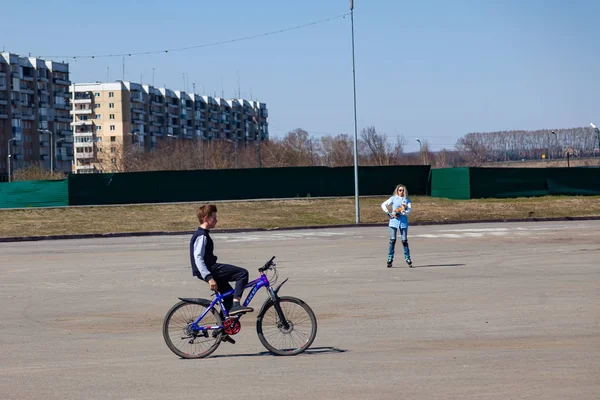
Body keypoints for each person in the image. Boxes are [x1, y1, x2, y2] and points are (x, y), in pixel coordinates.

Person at [190, 204, 254, 316]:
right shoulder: (201, 236)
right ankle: (236, 304)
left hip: (209, 269)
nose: (216, 220)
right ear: (206, 219)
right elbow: (198, 258)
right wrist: (209, 278)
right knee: (242, 274)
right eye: (214, 218)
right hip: (210, 270)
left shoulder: (203, 234)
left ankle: (220, 331)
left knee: (228, 297)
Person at [380, 184, 413, 268]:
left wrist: (403, 212)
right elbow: (383, 205)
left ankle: (407, 257)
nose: (401, 192)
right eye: (400, 190)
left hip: (403, 222)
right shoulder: (393, 198)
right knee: (392, 240)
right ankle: (390, 258)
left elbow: (409, 210)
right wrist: (388, 213)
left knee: (404, 240)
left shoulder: (407, 200)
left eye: (402, 190)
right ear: (397, 191)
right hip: (393, 221)